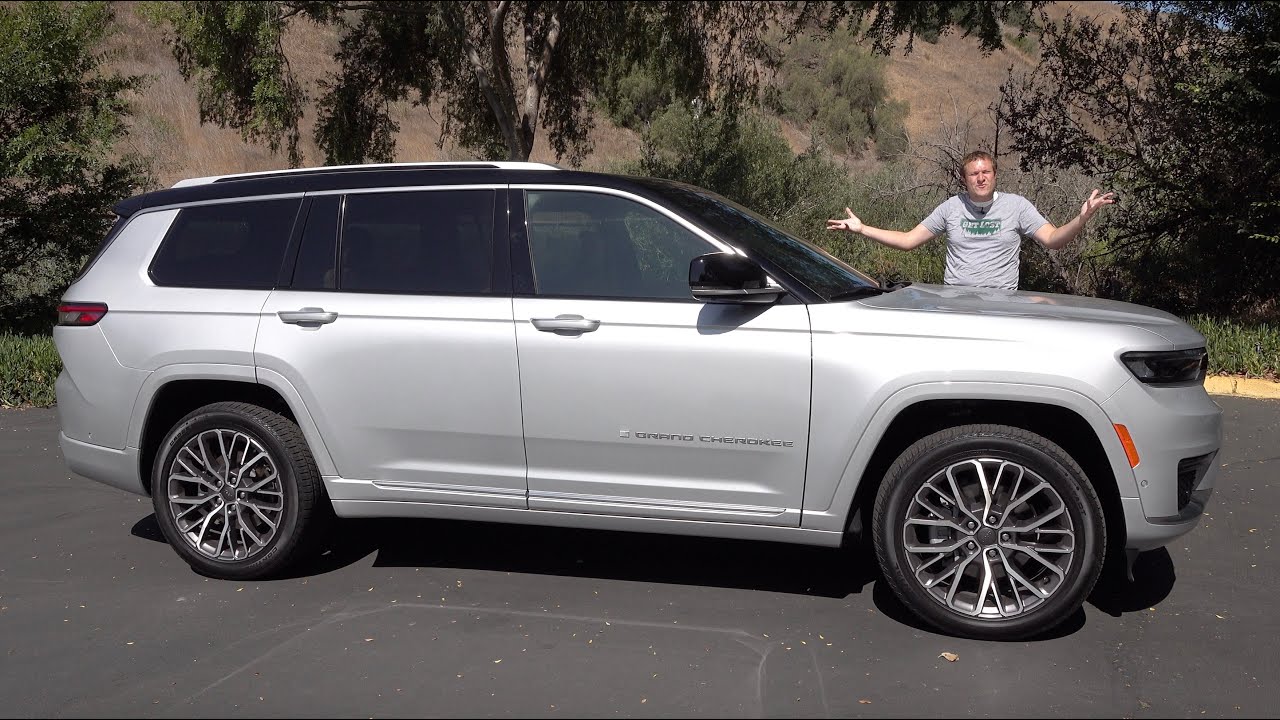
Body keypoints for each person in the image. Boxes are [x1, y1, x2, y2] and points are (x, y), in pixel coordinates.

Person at [825, 151, 1116, 290]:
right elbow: (908, 240)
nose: (980, 177)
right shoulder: (951, 208)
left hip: (1002, 308)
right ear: (964, 179)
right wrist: (862, 229)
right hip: (956, 307)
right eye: (974, 173)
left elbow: (1054, 241)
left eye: (986, 172)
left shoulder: (1017, 206)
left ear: (994, 174)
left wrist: (1081, 219)